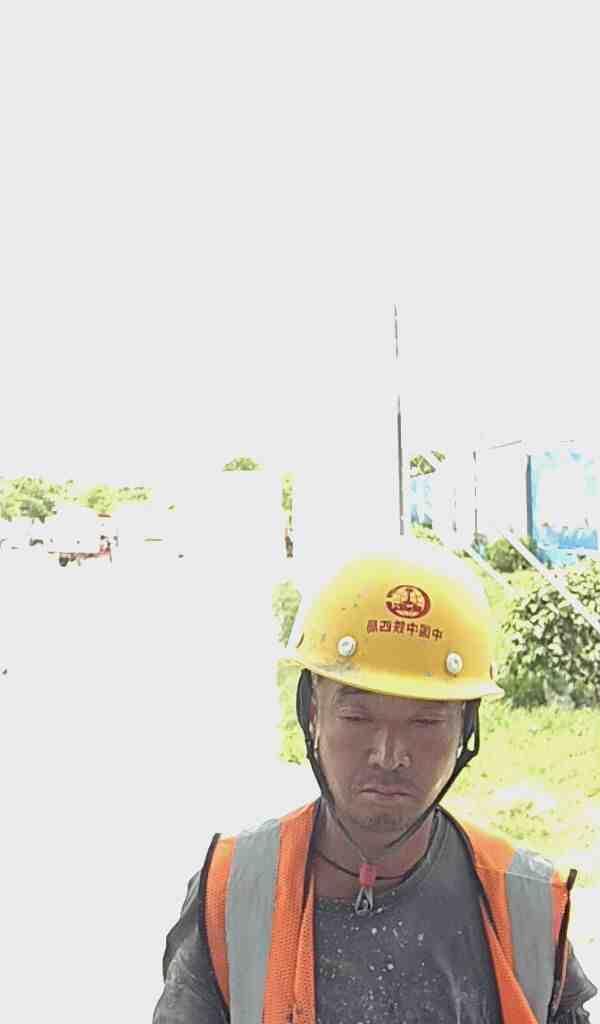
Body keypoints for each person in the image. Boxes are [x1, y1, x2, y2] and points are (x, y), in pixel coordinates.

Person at [153, 540, 597, 1023]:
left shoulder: (527, 904)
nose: (388, 755)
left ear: (465, 729)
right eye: (357, 717)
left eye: (425, 722)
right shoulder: (234, 890)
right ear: (313, 713)